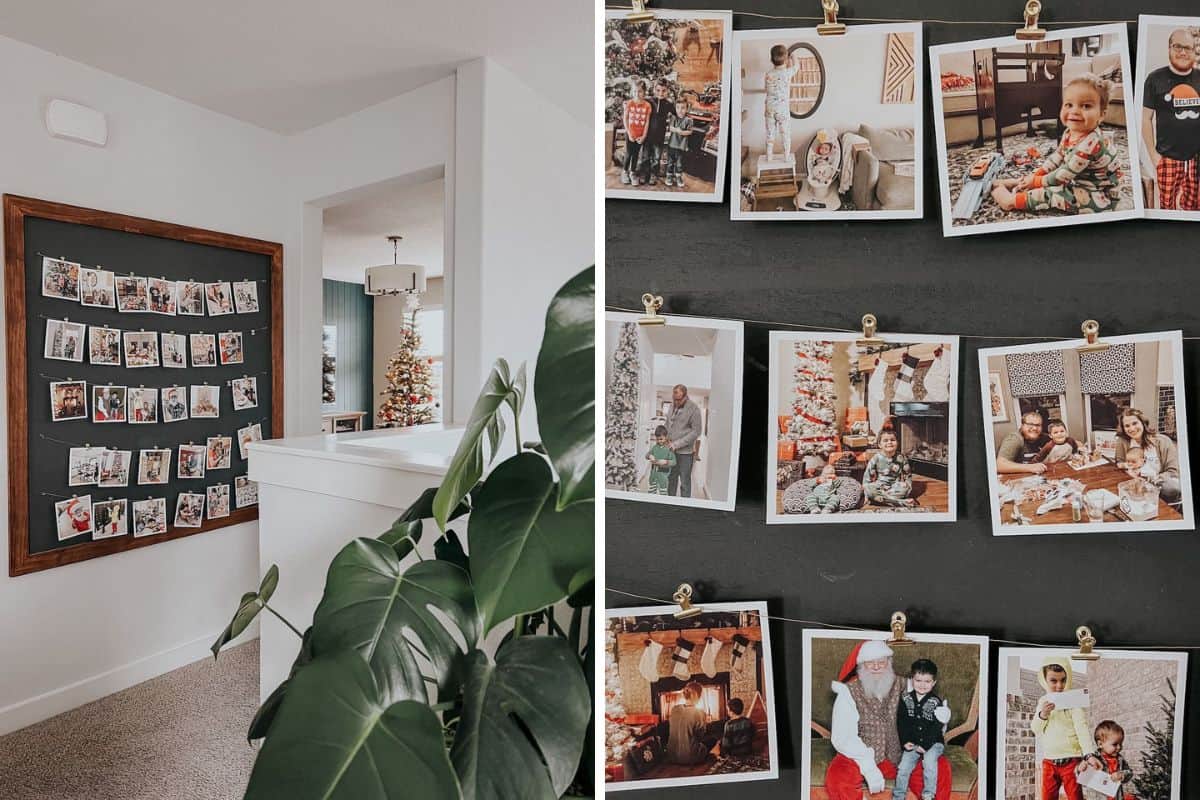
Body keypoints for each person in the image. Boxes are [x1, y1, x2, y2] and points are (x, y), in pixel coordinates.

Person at [825, 640, 952, 800]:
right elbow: (843, 737)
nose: (877, 667)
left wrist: (942, 718)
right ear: (861, 666)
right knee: (837, 775)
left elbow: (927, 720)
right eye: (871, 663)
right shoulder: (848, 692)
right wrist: (868, 767)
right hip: (863, 754)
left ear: (889, 663)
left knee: (941, 767)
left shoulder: (909, 684)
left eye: (881, 662)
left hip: (903, 752)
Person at [992, 75, 1122, 214]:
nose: (1074, 111)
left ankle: (1011, 201)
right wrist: (1038, 174)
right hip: (1079, 179)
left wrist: (1036, 182)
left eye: (1086, 106)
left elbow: (1063, 175)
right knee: (1044, 178)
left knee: (1054, 194)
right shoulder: (1070, 132)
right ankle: (1019, 182)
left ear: (1101, 115)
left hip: (1099, 194)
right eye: (1069, 105)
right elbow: (1058, 156)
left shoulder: (1092, 144)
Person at [1141, 28, 1200, 211]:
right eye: (1178, 46)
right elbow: (1145, 119)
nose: (1183, 52)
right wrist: (1153, 156)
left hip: (1196, 159)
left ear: (1194, 51)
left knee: (1193, 208)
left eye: (1188, 48)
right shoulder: (1154, 79)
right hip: (1167, 159)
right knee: (1167, 208)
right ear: (1169, 48)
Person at [1031, 656, 1093, 800]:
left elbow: (1081, 728)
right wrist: (1043, 714)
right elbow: (1035, 729)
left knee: (1075, 797)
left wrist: (1088, 754)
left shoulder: (1074, 700)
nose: (1059, 685)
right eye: (1054, 681)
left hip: (1071, 761)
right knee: (1047, 797)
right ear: (1045, 680)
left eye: (1063, 680)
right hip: (1049, 762)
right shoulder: (1042, 702)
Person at [894, 659, 951, 800]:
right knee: (903, 767)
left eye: (927, 682)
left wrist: (925, 745)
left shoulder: (936, 702)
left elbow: (936, 728)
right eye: (918, 680)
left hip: (933, 742)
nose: (922, 685)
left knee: (929, 762)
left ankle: (928, 795)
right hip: (912, 741)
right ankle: (898, 796)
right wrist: (905, 741)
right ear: (911, 679)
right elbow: (902, 722)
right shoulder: (906, 698)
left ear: (934, 683)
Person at [1113, 406, 1182, 503]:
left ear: (1143, 423)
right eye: (1127, 426)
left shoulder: (1163, 441)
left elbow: (1173, 471)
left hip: (1157, 483)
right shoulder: (1122, 441)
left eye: (1135, 423)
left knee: (1173, 488)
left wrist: (1153, 480)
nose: (1132, 428)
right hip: (1133, 482)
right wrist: (1128, 468)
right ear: (1123, 429)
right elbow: (1119, 462)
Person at [1078, 720, 1133, 800]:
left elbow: (1129, 772)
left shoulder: (1120, 759)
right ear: (1100, 744)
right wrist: (1080, 769)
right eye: (1115, 744)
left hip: (1116, 796)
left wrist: (1122, 775)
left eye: (1121, 744)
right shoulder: (1093, 759)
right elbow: (1082, 776)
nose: (1119, 747)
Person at [665, 384, 702, 498]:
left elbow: (696, 432)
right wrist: (664, 437)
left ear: (685, 396)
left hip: (685, 454)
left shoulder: (694, 409)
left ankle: (684, 506)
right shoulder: (672, 405)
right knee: (671, 479)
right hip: (671, 451)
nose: (676, 402)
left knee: (685, 482)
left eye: (679, 400)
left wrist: (676, 444)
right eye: (674, 399)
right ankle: (670, 502)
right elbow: (668, 423)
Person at [764, 45, 800, 161]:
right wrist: (793, 57)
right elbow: (797, 67)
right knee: (785, 133)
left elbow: (766, 88)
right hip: (782, 109)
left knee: (770, 134)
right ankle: (786, 155)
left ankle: (769, 155)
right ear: (786, 60)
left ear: (771, 60)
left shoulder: (768, 74)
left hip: (770, 108)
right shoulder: (788, 72)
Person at [864, 429, 916, 507]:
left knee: (904, 489)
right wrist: (866, 495)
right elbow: (867, 477)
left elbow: (907, 475)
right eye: (885, 440)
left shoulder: (901, 457)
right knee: (868, 489)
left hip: (895, 486)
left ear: (897, 443)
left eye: (892, 440)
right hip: (880, 485)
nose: (889, 442)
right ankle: (900, 502)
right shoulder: (876, 458)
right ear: (879, 444)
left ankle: (880, 499)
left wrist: (907, 486)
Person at [637, 80, 674, 186]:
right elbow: (637, 103)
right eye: (658, 90)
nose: (660, 93)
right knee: (645, 156)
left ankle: (654, 174)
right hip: (647, 135)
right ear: (654, 90)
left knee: (657, 158)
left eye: (664, 91)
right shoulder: (648, 101)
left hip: (659, 136)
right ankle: (644, 173)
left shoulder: (668, 104)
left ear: (667, 91)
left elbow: (677, 113)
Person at [666, 681, 712, 765]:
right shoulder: (699, 713)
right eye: (700, 696)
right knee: (712, 739)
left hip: (671, 756)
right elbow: (700, 736)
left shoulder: (674, 709)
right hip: (690, 757)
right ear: (695, 695)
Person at [621, 81, 651, 186]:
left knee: (636, 155)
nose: (637, 94)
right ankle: (624, 171)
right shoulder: (629, 104)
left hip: (640, 135)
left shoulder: (647, 105)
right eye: (634, 91)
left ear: (644, 92)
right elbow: (625, 119)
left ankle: (632, 172)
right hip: (630, 134)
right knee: (629, 154)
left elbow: (647, 122)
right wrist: (629, 133)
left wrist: (644, 136)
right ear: (631, 92)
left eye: (640, 91)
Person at [664, 97, 694, 188]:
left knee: (679, 163)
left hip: (681, 146)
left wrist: (682, 132)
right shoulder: (673, 118)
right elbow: (671, 128)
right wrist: (678, 130)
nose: (680, 110)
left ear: (687, 108)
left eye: (683, 108)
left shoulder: (689, 120)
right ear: (675, 108)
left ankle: (678, 176)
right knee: (670, 162)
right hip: (672, 144)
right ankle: (669, 176)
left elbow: (690, 131)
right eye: (678, 107)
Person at [645, 425, 676, 495]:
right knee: (651, 492)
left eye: (661, 439)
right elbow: (646, 455)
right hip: (653, 476)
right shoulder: (655, 448)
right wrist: (650, 456)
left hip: (663, 477)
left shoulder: (669, 449)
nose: (659, 441)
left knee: (663, 494)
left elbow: (674, 462)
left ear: (666, 437)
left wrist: (666, 462)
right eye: (657, 439)